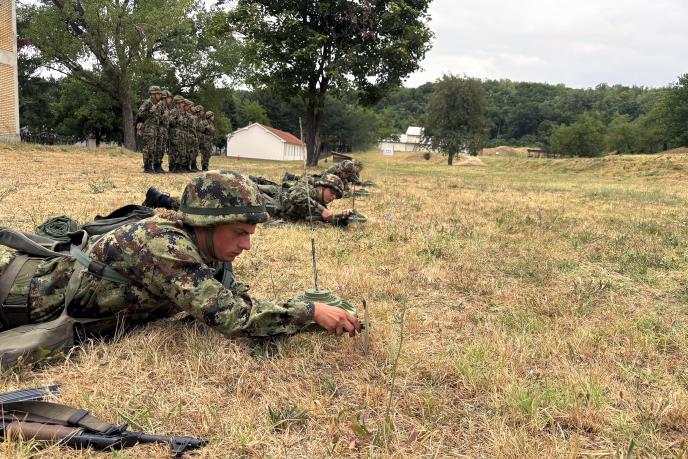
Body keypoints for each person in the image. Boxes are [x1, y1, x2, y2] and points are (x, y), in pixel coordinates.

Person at [0, 171, 361, 344]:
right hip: (17, 301)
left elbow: (231, 295)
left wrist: (302, 310)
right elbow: (232, 317)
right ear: (207, 224)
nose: (247, 245)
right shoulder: (166, 246)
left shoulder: (205, 245)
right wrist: (309, 311)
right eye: (240, 233)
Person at [135, 86, 163, 173]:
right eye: (158, 94)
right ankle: (147, 167)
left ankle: (151, 166)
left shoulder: (157, 104)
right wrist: (151, 111)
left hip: (155, 129)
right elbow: (140, 114)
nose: (160, 95)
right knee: (148, 148)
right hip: (148, 129)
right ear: (153, 94)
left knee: (153, 148)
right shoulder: (147, 102)